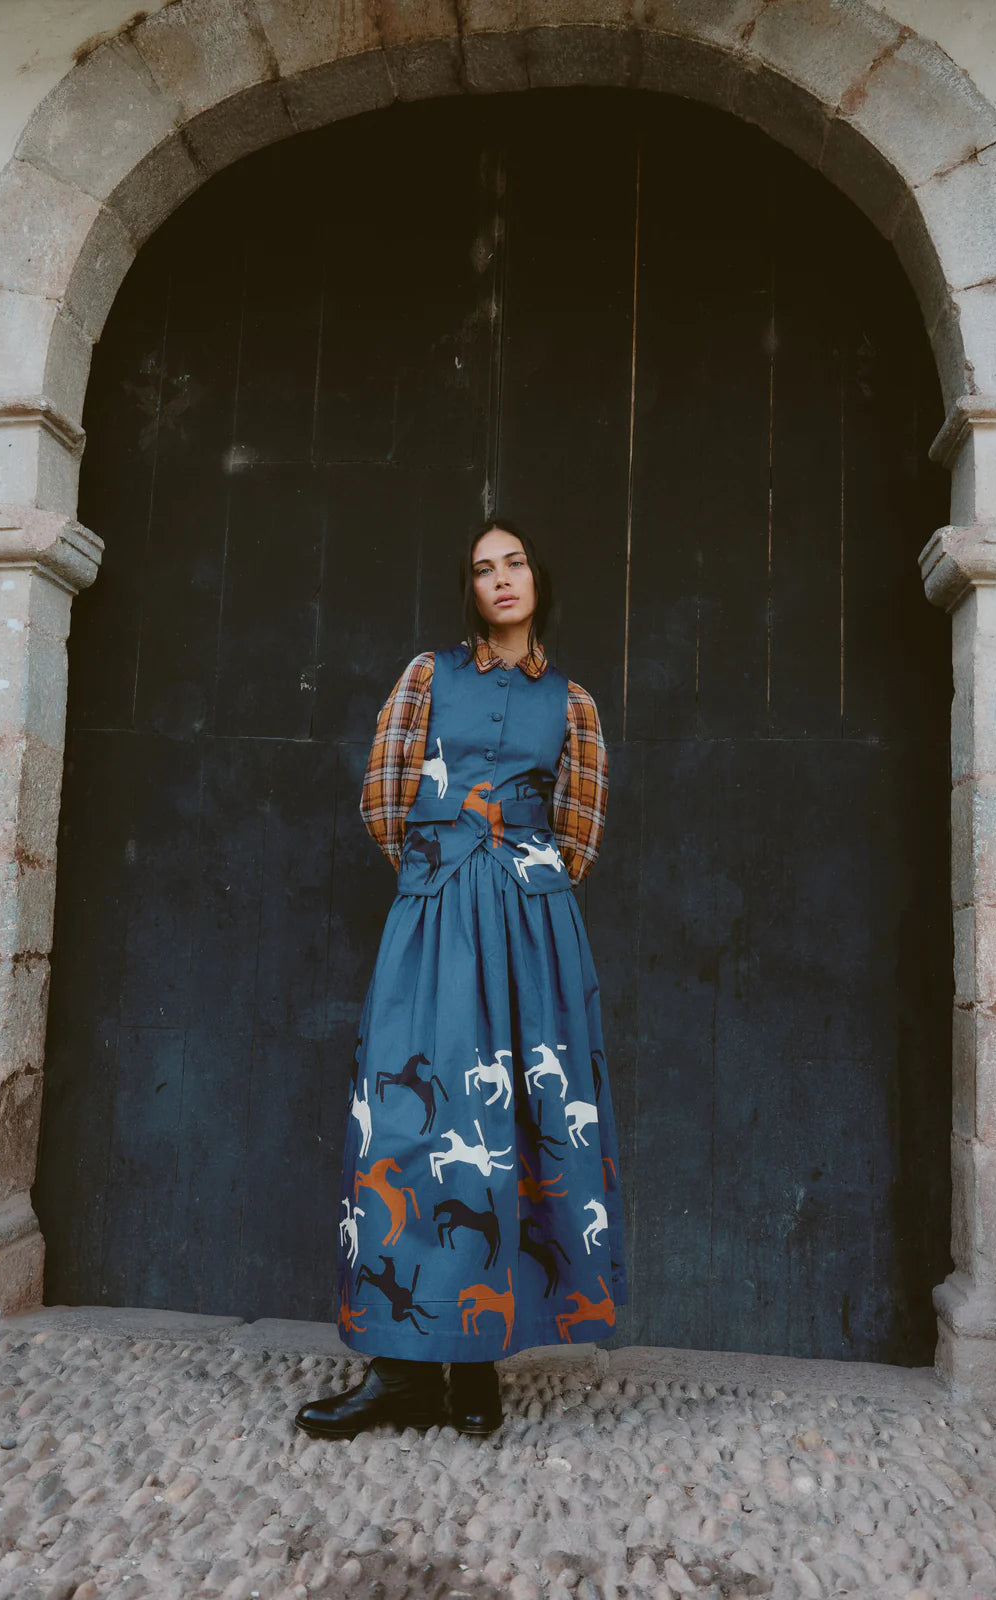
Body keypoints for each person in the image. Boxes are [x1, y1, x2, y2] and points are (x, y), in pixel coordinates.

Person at [295, 519, 627, 1440]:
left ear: (539, 577)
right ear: (470, 591)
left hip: (533, 934)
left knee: (513, 1130)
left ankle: (478, 1360)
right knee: (410, 1127)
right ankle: (401, 1370)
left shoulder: (573, 704)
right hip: (435, 920)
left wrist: (519, 886)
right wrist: (442, 874)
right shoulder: (426, 677)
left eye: (515, 562)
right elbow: (384, 798)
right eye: (484, 569)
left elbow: (581, 832)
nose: (502, 578)